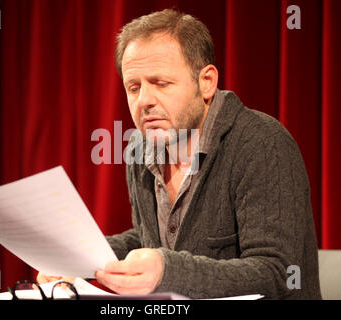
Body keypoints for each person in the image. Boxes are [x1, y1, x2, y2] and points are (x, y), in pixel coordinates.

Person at [38, 9, 321, 299]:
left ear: (206, 82)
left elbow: (276, 273)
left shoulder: (263, 143)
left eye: (161, 83)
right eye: (133, 87)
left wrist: (167, 271)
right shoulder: (140, 148)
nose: (144, 101)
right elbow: (152, 240)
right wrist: (82, 260)